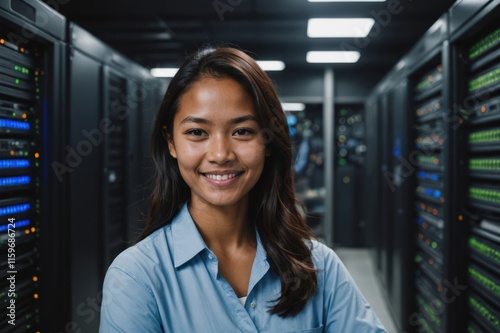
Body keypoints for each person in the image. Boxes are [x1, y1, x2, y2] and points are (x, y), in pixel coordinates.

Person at [99, 46, 387, 333]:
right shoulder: (136, 277)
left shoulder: (319, 266)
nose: (221, 154)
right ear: (171, 143)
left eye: (242, 131)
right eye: (197, 132)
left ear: (268, 142)